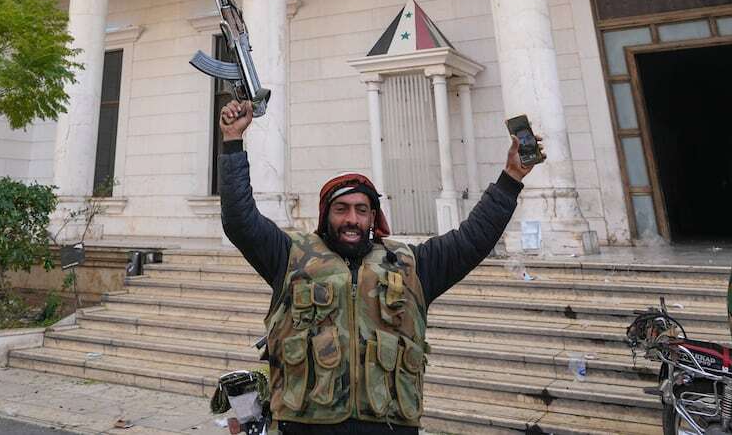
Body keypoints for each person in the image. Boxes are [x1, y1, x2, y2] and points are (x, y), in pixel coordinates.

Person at [217, 99, 544, 434]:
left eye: (361, 210)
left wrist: (511, 177)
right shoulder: (290, 257)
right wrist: (232, 142)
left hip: (389, 425)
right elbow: (240, 221)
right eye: (341, 209)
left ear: (373, 217)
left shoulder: (412, 265)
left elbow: (473, 239)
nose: (351, 219)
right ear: (325, 215)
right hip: (305, 424)